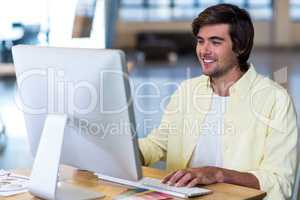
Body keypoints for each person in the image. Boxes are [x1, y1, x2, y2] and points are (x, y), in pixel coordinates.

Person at [138, 3, 298, 200]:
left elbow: (280, 181)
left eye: (215, 42)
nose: (204, 51)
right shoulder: (187, 91)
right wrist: (124, 152)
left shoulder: (276, 100)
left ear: (240, 47)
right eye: (200, 41)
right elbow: (158, 144)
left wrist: (218, 174)